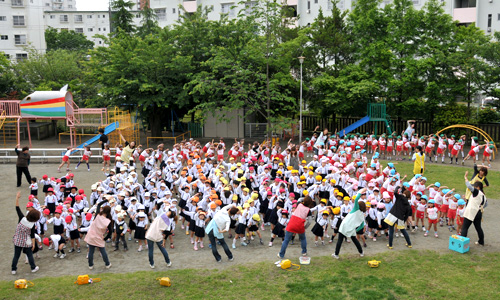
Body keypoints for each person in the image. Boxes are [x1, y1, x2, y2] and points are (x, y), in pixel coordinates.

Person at [332, 189, 367, 259]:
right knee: (354, 240)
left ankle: (336, 254)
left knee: (340, 240)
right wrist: (356, 230)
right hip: (351, 228)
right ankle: (361, 252)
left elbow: (356, 198)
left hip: (344, 225)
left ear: (358, 206)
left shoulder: (356, 208)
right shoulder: (362, 216)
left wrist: (361, 191)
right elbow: (362, 226)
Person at [277, 196, 315, 260]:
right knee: (303, 239)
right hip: (300, 225)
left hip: (292, 223)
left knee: (286, 240)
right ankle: (304, 252)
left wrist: (305, 199)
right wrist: (305, 227)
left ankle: (281, 254)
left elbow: (300, 199)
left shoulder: (299, 204)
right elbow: (310, 221)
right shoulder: (308, 210)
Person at [11, 191, 40, 274]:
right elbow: (32, 236)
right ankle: (33, 268)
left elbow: (17, 208)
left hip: (17, 240)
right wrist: (33, 244)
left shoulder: (22, 218)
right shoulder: (32, 225)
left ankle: (13, 269)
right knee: (30, 254)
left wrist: (17, 197)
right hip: (26, 242)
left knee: (16, 255)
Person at [84, 199, 112, 270]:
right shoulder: (108, 221)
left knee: (91, 251)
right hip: (99, 236)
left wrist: (106, 200)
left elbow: (99, 205)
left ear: (103, 210)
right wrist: (105, 238)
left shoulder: (97, 215)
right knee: (103, 251)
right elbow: (110, 231)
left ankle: (90, 265)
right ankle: (107, 264)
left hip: (91, 235)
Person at [462, 171, 486, 246]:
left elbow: (469, 186)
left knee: (465, 227)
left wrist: (465, 178)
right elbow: (485, 204)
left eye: (475, 186)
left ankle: (462, 243)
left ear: (478, 187)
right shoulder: (484, 196)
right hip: (478, 212)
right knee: (478, 228)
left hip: (471, 212)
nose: (474, 188)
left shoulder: (476, 191)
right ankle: (481, 241)